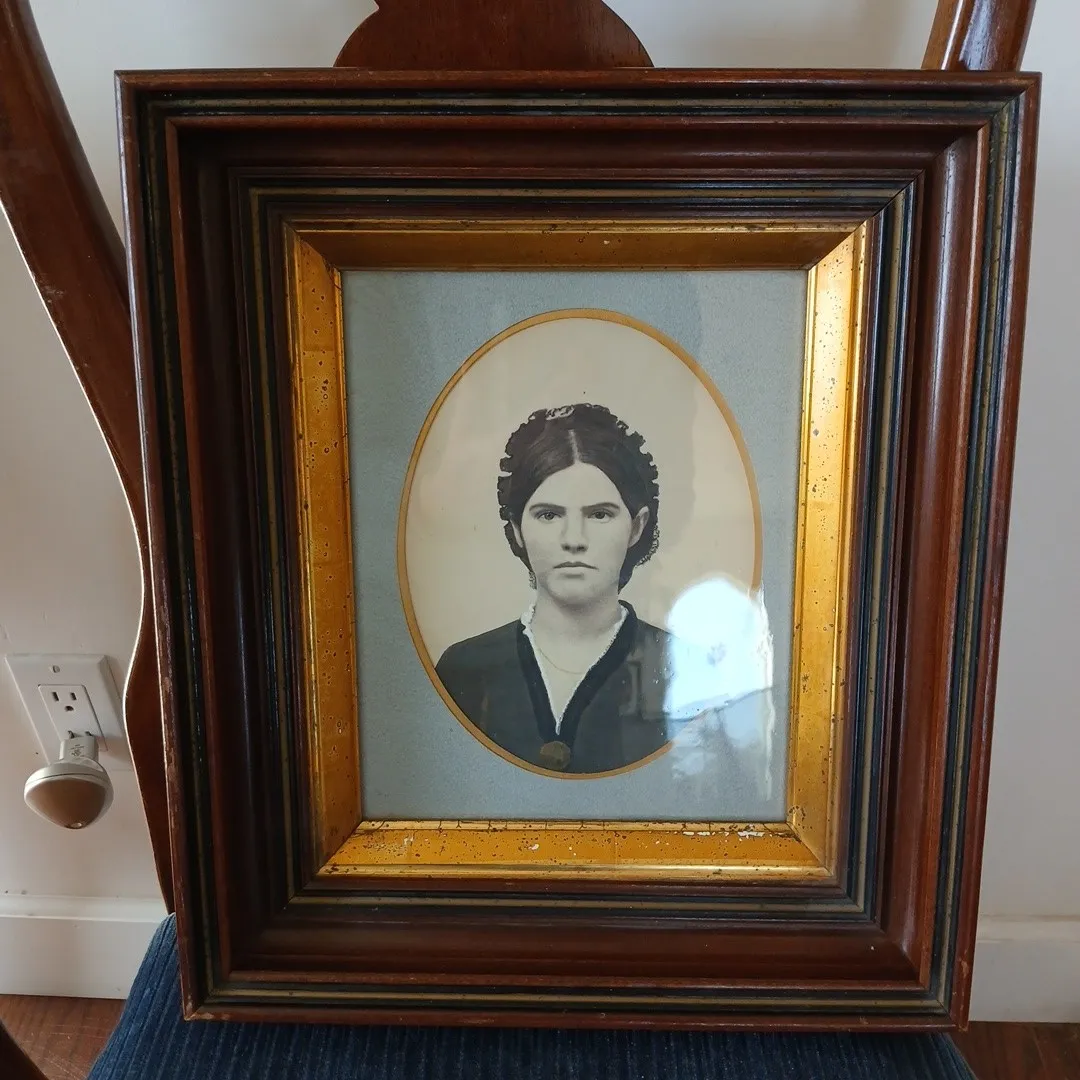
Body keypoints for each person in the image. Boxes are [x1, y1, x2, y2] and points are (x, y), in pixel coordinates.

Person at [435, 402, 696, 774]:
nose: (574, 539)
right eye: (549, 514)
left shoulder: (686, 670)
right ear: (517, 530)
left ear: (636, 527)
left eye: (599, 514)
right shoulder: (464, 669)